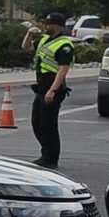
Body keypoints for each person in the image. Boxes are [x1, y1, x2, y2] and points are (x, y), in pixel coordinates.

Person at [22, 12, 76, 168]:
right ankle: (45, 153)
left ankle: (51, 158)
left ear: (57, 26)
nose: (46, 26)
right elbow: (26, 47)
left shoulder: (64, 45)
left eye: (48, 24)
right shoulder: (45, 40)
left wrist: (52, 90)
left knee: (48, 124)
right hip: (41, 87)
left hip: (53, 87)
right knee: (37, 122)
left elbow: (63, 69)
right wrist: (29, 35)